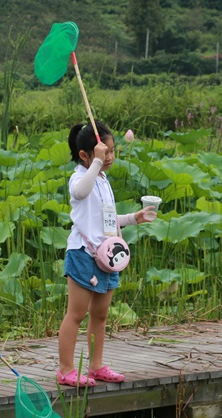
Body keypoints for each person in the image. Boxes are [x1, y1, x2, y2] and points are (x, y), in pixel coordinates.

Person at [57, 121, 155, 387]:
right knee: (76, 314)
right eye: (104, 152)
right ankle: (65, 369)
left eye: (112, 151)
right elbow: (80, 192)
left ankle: (96, 365)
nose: (109, 157)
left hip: (107, 255)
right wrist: (97, 164)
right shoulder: (80, 177)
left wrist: (134, 218)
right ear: (84, 156)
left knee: (100, 315)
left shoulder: (102, 179)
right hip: (83, 253)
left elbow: (108, 219)